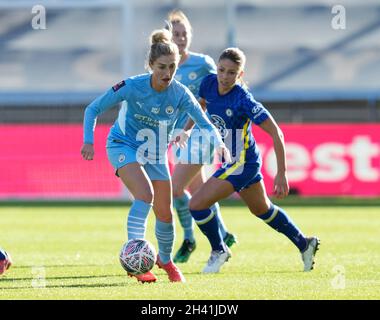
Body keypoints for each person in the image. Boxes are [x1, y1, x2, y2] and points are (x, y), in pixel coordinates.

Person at [81, 28, 230, 283]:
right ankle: (135, 261)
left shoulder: (180, 93)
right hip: (122, 145)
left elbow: (203, 122)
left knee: (165, 213)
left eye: (172, 67)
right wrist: (88, 141)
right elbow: (93, 108)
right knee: (144, 195)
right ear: (150, 65)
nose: (167, 73)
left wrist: (219, 144)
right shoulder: (131, 86)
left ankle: (165, 259)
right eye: (161, 67)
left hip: (156, 153)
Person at [179, 47, 320, 273]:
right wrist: (187, 130)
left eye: (232, 73)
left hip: (241, 164)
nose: (225, 77)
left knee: (196, 204)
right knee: (262, 209)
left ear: (240, 75)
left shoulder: (243, 100)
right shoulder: (208, 83)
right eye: (222, 70)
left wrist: (282, 173)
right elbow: (200, 106)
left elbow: (276, 133)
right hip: (237, 162)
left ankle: (219, 250)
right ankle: (305, 243)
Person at [167, 9, 237, 264]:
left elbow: (219, 92)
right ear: (168, 37)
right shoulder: (165, 66)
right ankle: (222, 234)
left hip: (201, 134)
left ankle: (190, 238)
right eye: (176, 34)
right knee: (199, 190)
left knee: (174, 189)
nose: (181, 38)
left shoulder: (203, 63)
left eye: (184, 33)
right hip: (179, 136)